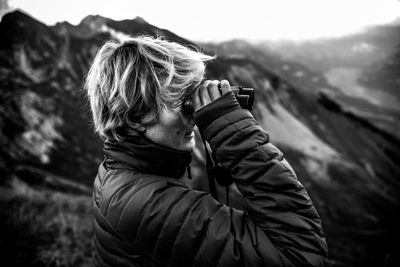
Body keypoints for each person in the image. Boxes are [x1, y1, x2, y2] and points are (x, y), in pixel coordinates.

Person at [85, 35, 328, 267]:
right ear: (136, 116)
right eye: (181, 102)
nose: (194, 116)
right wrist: (231, 128)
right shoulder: (151, 208)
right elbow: (300, 253)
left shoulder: (118, 174)